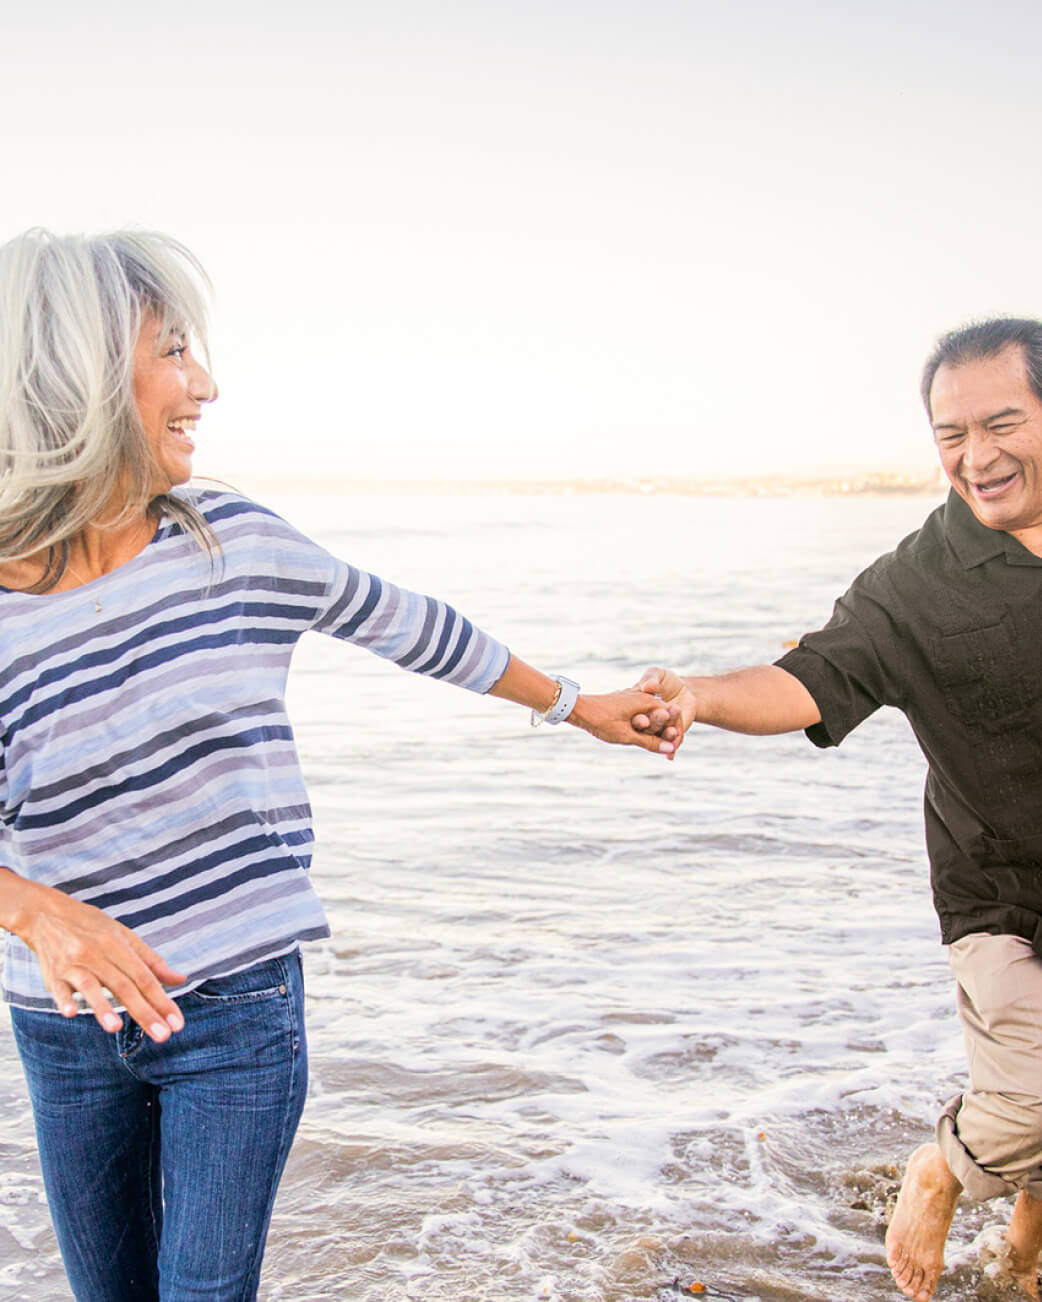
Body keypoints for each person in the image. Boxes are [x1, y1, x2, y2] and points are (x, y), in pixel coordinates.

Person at [0, 227, 680, 1302]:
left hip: (235, 1016)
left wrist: (573, 704)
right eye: (174, 352)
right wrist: (36, 911)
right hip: (63, 1025)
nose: (206, 383)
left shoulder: (233, 544)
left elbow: (410, 626)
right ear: (75, 377)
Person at [633, 317, 1042, 1302]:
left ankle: (1023, 1243)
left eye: (1000, 424)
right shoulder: (920, 581)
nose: (975, 457)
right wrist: (698, 692)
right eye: (950, 435)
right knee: (1029, 1087)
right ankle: (940, 1168)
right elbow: (813, 679)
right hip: (999, 885)